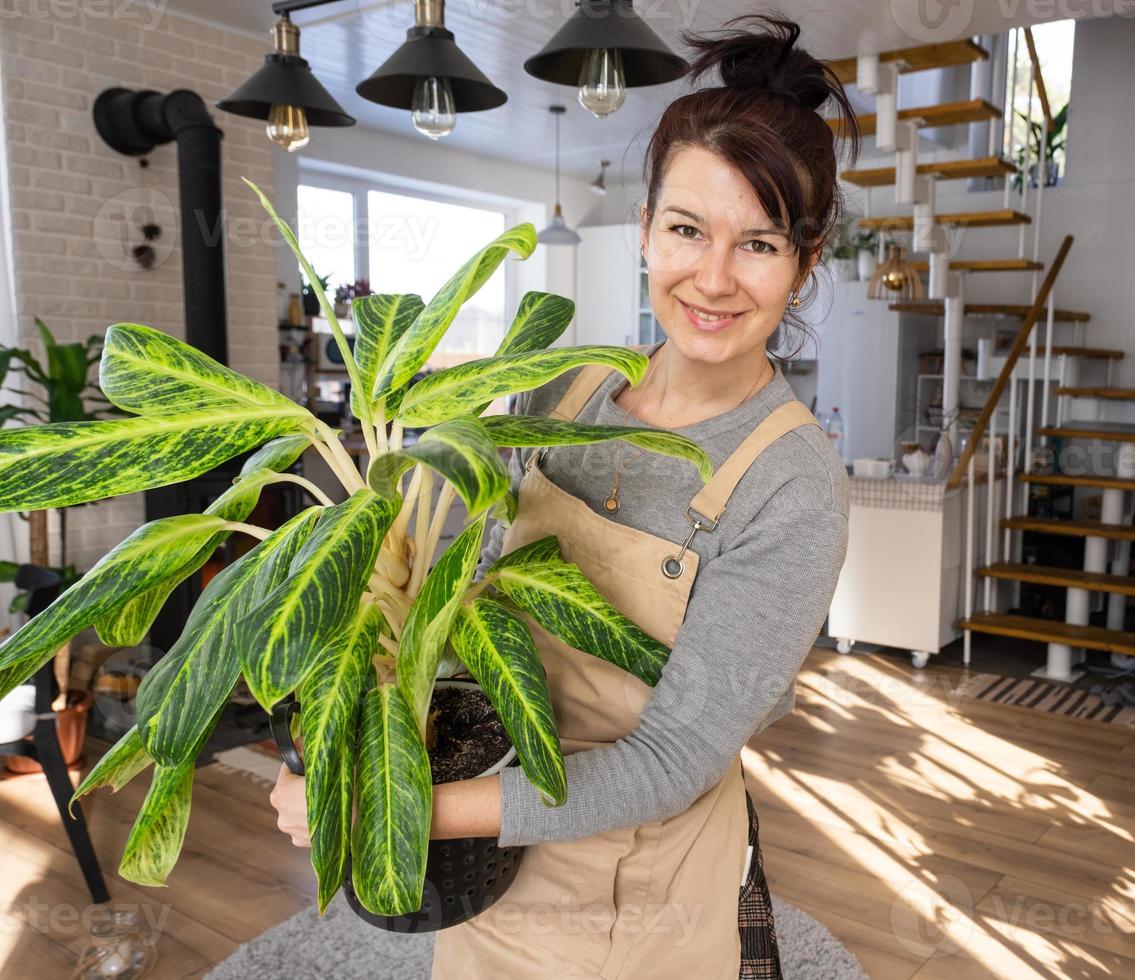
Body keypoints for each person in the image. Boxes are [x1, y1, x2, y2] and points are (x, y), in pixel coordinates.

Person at [270, 13, 859, 978]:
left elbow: (672, 762)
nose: (711, 279)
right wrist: (357, 715)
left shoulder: (789, 487)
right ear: (643, 228)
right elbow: (445, 582)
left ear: (804, 255)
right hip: (478, 854)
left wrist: (387, 807)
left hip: (633, 890)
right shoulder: (564, 390)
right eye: (685, 229)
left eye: (757, 243)